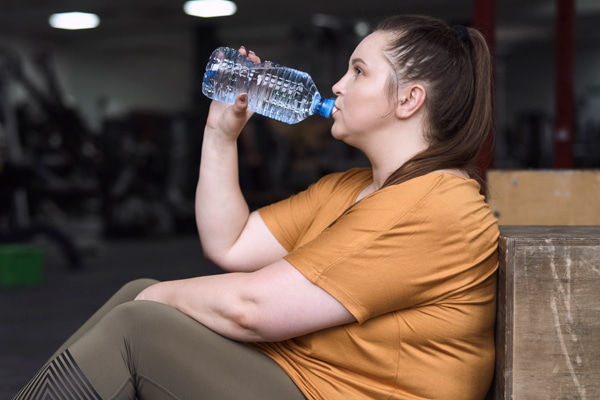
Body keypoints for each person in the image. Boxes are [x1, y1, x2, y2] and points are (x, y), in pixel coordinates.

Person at [14, 14, 498, 400]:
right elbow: (231, 242)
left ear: (410, 100)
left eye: (358, 71)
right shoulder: (354, 188)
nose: (337, 85)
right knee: (140, 292)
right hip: (305, 377)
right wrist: (220, 134)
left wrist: (160, 300)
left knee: (137, 326)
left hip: (342, 391)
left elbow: (253, 309)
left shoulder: (435, 205)